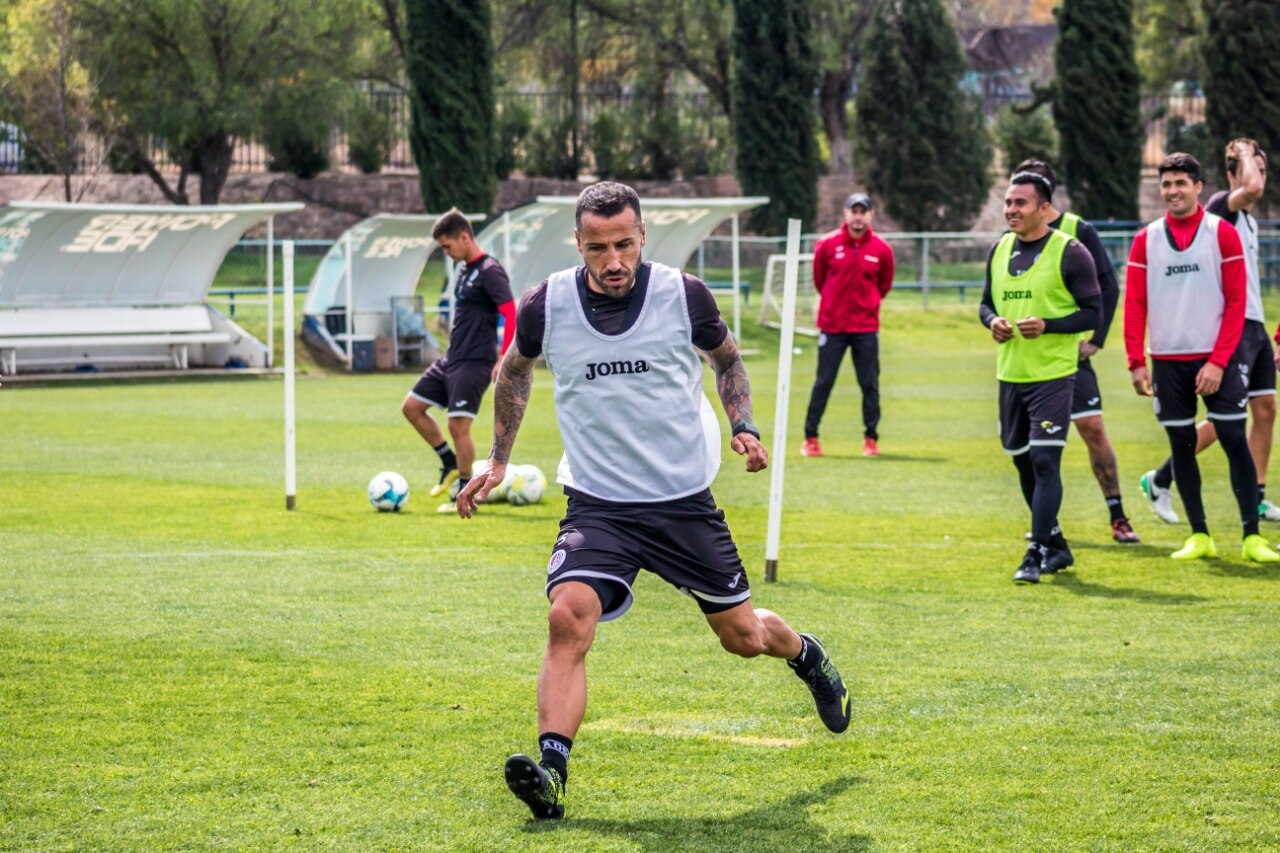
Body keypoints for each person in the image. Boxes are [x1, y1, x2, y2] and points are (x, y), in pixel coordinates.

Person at [457, 182, 851, 820]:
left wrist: (742, 424)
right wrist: (498, 458)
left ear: (642, 237)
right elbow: (515, 370)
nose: (612, 261)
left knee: (744, 637)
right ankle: (552, 772)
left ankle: (807, 654)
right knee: (568, 617)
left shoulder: (682, 294)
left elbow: (727, 361)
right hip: (599, 503)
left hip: (681, 502)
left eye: (623, 244)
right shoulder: (546, 304)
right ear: (578, 244)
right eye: (597, 248)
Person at [1123, 152, 1280, 563]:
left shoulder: (1219, 233)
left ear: (1199, 188)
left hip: (1216, 360)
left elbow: (1236, 302)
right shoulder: (1146, 238)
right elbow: (1135, 302)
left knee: (1232, 438)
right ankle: (1200, 536)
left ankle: (1251, 537)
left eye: (1180, 183)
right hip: (1168, 362)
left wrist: (1217, 361)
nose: (1172, 191)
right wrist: (1135, 359)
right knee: (1183, 442)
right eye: (1166, 184)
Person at [979, 172, 1102, 584]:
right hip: (1010, 374)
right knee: (1022, 463)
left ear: (1044, 208)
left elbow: (1093, 313)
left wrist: (1048, 325)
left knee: (1045, 460)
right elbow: (984, 304)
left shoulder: (1072, 252)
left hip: (1054, 376)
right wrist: (992, 321)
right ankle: (1058, 545)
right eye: (1008, 203)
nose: (1012, 210)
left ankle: (1034, 552)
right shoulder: (998, 249)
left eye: (1021, 203)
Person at [1012, 160, 1139, 543]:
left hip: (1070, 358)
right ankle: (1046, 527)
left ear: (1046, 198)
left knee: (1093, 429)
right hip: (1027, 363)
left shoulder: (1077, 231)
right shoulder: (1011, 238)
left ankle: (1118, 516)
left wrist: (1096, 340)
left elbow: (1109, 289)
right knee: (1031, 450)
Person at [401, 209, 515, 512]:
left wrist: (503, 357)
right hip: (452, 357)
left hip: (475, 361)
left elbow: (510, 313)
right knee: (412, 407)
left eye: (448, 246)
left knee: (458, 426)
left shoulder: (491, 270)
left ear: (464, 237)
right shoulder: (465, 270)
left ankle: (462, 492)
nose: (446, 253)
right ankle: (448, 461)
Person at [801, 192, 895, 458]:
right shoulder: (827, 245)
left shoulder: (882, 249)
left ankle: (871, 439)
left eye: (862, 211)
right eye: (853, 211)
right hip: (832, 326)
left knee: (869, 384)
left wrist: (868, 305)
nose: (857, 216)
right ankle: (811, 437)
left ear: (870, 215)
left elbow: (884, 284)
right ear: (846, 213)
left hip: (866, 327)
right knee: (824, 382)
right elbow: (820, 280)